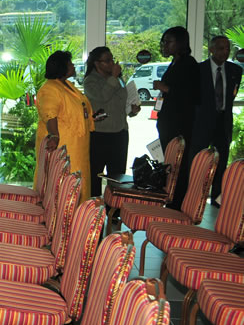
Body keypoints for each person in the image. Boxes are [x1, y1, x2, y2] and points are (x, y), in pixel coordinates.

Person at [35, 50, 94, 204]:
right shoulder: (49, 89)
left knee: (77, 187)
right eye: (70, 63)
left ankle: (76, 225)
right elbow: (50, 115)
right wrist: (54, 135)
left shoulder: (66, 85)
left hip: (77, 148)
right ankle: (61, 225)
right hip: (62, 148)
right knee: (63, 193)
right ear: (62, 67)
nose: (73, 65)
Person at [190, 35, 242, 206]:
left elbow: (231, 97)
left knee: (221, 160)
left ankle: (217, 199)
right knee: (198, 160)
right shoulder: (198, 70)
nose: (225, 52)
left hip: (223, 121)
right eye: (220, 48)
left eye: (227, 48)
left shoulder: (235, 71)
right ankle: (194, 198)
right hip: (202, 122)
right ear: (211, 49)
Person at [83, 46, 141, 197]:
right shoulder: (90, 81)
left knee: (117, 176)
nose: (112, 64)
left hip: (120, 132)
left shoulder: (118, 79)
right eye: (107, 61)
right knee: (95, 175)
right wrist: (113, 78)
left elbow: (121, 102)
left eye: (112, 59)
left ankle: (114, 213)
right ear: (97, 63)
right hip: (100, 134)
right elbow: (102, 98)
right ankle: (93, 211)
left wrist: (132, 110)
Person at [154, 26, 201, 209]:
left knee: (178, 166)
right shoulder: (175, 62)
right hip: (169, 123)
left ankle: (177, 205)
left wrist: (166, 88)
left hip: (179, 125)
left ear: (180, 43)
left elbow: (193, 96)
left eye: (168, 42)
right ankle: (170, 200)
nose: (164, 45)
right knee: (170, 165)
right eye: (163, 41)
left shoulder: (189, 64)